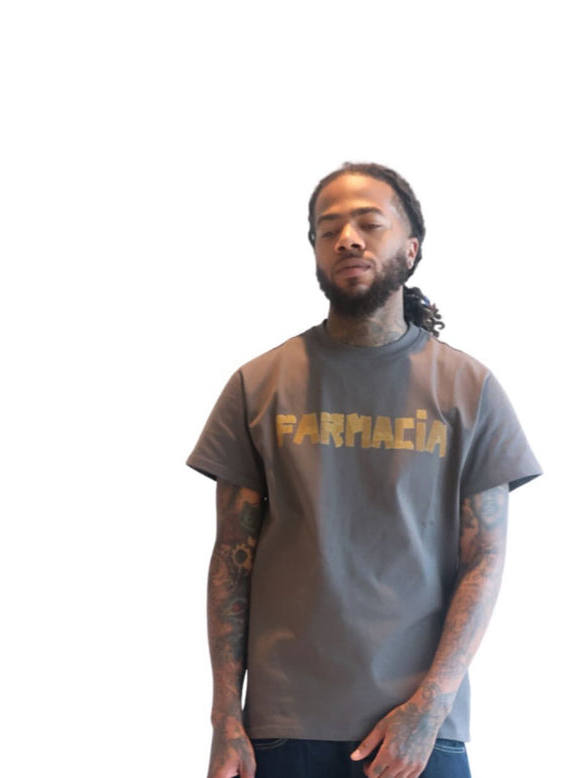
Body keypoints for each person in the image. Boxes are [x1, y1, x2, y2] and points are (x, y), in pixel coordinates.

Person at [186, 162, 542, 778]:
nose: (347, 239)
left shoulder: (469, 390)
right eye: (328, 230)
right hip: (282, 727)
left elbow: (484, 559)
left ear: (412, 248)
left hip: (420, 732)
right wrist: (225, 719)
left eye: (369, 224)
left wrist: (430, 707)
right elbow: (231, 560)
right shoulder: (259, 386)